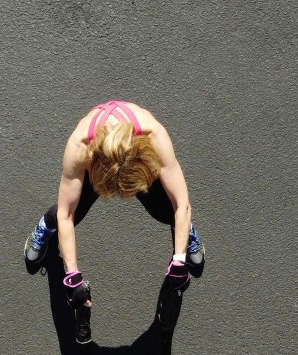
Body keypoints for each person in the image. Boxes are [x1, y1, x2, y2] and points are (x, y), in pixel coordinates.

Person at [24, 100, 204, 304]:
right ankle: (46, 225)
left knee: (166, 210)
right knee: (71, 214)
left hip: (137, 160)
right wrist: (72, 276)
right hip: (98, 162)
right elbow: (66, 214)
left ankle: (184, 232)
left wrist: (179, 260)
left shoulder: (154, 136)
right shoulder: (79, 147)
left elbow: (182, 204)